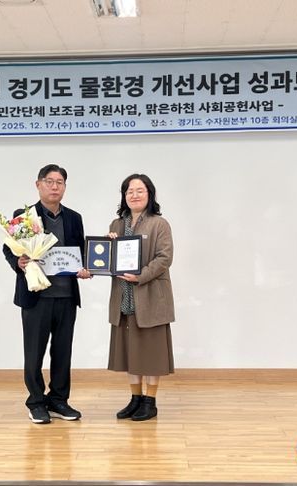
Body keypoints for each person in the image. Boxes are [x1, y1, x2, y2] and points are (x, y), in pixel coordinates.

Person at [3, 164, 91, 425]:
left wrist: (87, 268)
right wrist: (18, 262)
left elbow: (80, 251)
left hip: (66, 296)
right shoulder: (25, 216)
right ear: (38, 184)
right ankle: (36, 402)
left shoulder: (74, 217)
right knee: (34, 353)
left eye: (59, 182)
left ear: (65, 187)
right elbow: (9, 249)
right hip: (36, 297)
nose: (55, 187)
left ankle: (59, 400)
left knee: (63, 352)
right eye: (49, 181)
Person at [107, 174, 175, 421]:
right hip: (123, 296)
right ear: (124, 196)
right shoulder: (116, 224)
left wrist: (141, 276)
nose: (134, 195)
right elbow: (109, 260)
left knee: (151, 352)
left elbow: (164, 258)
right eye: (129, 191)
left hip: (149, 295)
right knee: (131, 351)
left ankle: (150, 402)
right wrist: (107, 246)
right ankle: (135, 399)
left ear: (150, 194)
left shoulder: (159, 224)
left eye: (140, 190)